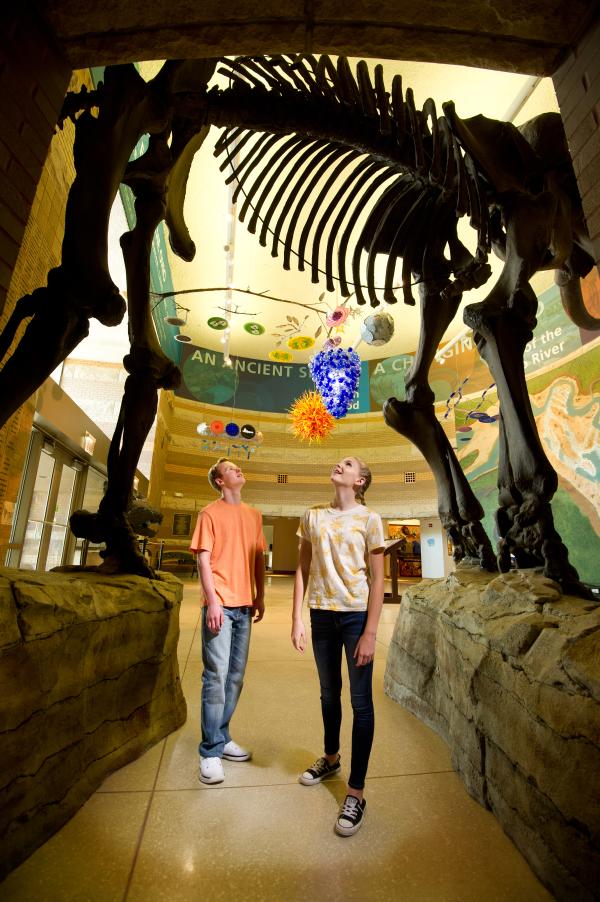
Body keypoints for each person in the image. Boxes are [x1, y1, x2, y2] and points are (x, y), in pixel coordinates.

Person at [291, 456, 385, 836]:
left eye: (348, 464)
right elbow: (302, 568)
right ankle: (331, 758)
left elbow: (377, 579)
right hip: (321, 616)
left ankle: (356, 793)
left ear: (360, 481)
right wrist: (297, 617)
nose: (338, 464)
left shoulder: (370, 519)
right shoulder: (312, 516)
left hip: (355, 617)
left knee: (361, 702)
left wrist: (371, 632)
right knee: (329, 693)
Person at [190, 458, 266, 785]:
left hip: (245, 606)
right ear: (220, 481)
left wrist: (259, 595)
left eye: (238, 467)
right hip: (220, 604)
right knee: (215, 676)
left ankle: (221, 735)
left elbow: (258, 558)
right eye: (230, 469)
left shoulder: (254, 515)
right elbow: (203, 560)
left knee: (235, 677)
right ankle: (210, 752)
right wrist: (213, 601)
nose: (237, 470)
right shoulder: (209, 514)